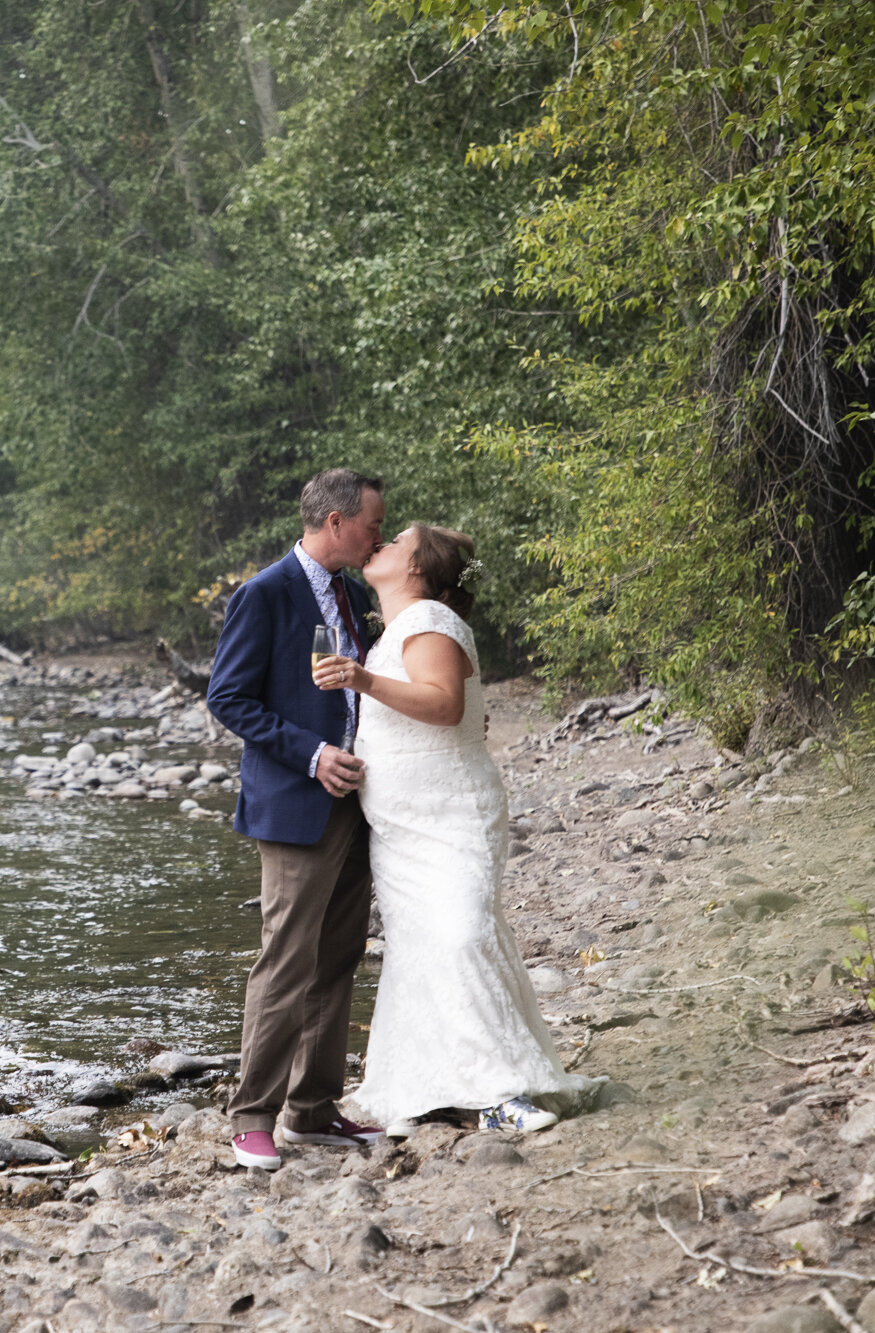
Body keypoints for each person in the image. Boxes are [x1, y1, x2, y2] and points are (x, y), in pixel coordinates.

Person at [314, 523, 597, 1132]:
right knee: (422, 947)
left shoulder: (428, 622)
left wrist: (360, 680)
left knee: (462, 934)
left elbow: (445, 706)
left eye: (397, 541)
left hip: (448, 815)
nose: (381, 543)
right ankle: (437, 1085)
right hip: (399, 824)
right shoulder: (400, 626)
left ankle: (500, 1091)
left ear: (418, 569)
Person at [205, 468, 390, 1171]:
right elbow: (229, 697)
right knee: (285, 959)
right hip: (295, 800)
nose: (378, 533)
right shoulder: (264, 592)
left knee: (339, 956)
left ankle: (311, 1111)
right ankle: (251, 1116)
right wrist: (312, 755)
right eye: (372, 521)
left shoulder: (349, 591)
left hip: (358, 805)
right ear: (337, 520)